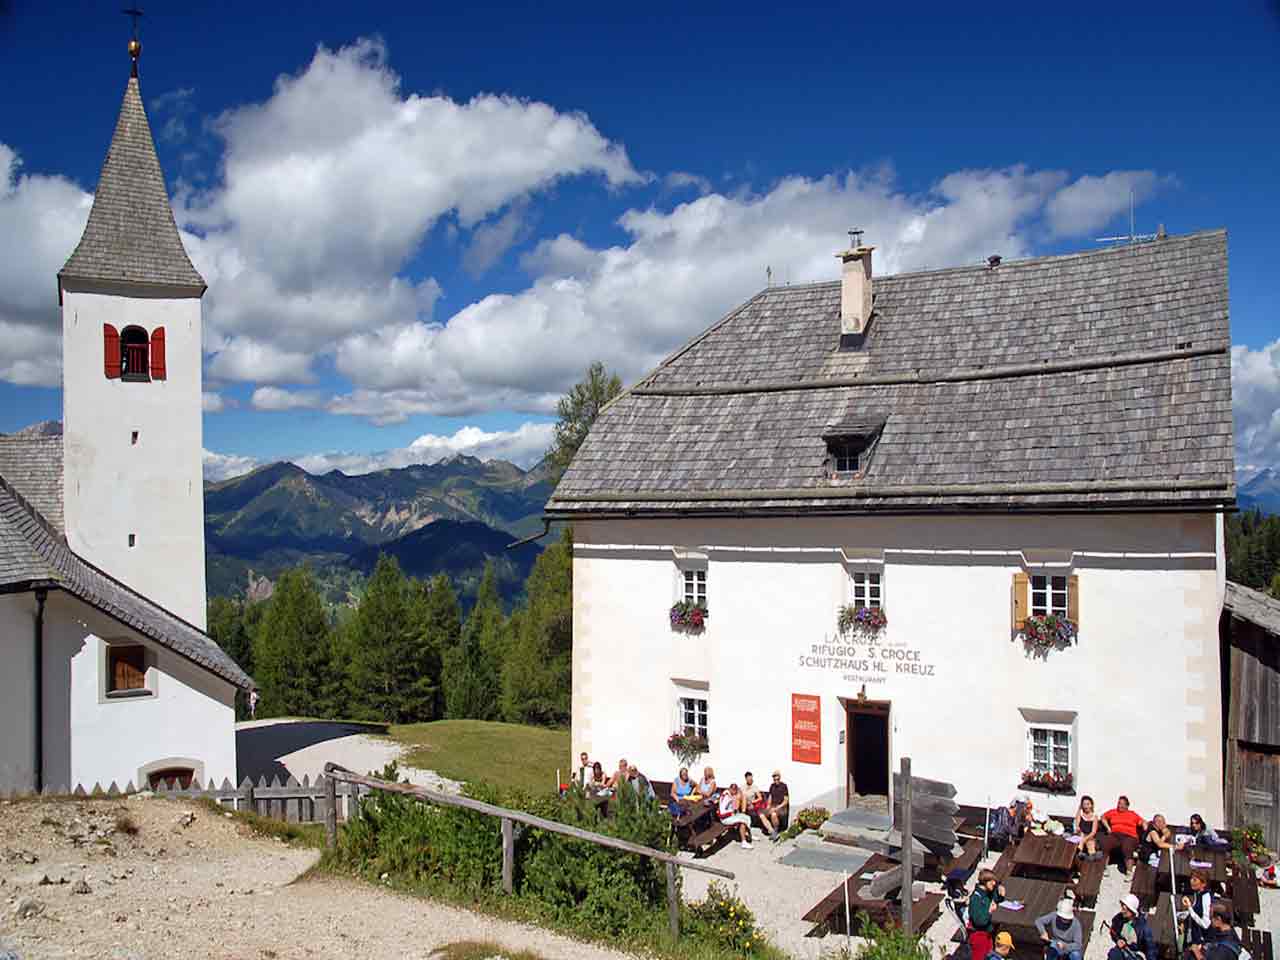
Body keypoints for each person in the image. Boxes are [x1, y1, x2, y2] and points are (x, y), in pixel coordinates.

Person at [1100, 796, 1146, 875]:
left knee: (1127, 847)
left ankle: (1129, 871)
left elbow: (1142, 821)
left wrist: (1144, 825)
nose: (1120, 806)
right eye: (1119, 803)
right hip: (1115, 835)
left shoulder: (1132, 814)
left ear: (1127, 805)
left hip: (1130, 836)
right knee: (1106, 843)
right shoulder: (1113, 812)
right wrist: (1108, 828)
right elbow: (1103, 817)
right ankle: (1105, 868)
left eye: (1122, 804)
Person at [967, 868, 1006, 960]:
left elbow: (994, 899)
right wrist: (989, 911)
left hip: (987, 934)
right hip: (978, 936)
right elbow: (980, 921)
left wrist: (1000, 896)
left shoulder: (986, 893)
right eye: (992, 881)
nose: (994, 883)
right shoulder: (975, 899)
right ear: (985, 882)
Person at [1108, 893, 1158, 960]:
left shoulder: (1143, 928)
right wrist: (1118, 940)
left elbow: (1151, 948)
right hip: (1121, 951)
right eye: (1122, 907)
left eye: (1124, 909)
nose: (1122, 911)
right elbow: (1113, 931)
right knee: (1113, 955)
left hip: (1135, 954)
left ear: (1131, 911)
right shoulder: (1119, 919)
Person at [1177, 870, 1214, 947]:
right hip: (1194, 935)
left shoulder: (1206, 897)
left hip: (1201, 941)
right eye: (1191, 878)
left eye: (1194, 880)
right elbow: (1195, 911)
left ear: (1203, 884)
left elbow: (1205, 924)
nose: (1191, 881)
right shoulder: (1198, 893)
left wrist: (1189, 907)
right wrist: (1181, 914)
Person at [718, 783, 752, 848]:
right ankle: (744, 842)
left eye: (736, 790)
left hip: (730, 816)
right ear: (730, 789)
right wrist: (731, 813)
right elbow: (722, 812)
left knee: (746, 817)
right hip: (725, 818)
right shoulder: (726, 797)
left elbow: (732, 808)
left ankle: (748, 834)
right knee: (742, 822)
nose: (735, 792)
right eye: (734, 790)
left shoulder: (730, 796)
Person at [1075, 795, 1102, 859]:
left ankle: (1090, 856)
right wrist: (1079, 809)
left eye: (1088, 804)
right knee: (1081, 837)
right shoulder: (1080, 814)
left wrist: (1085, 839)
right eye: (1084, 804)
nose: (1086, 806)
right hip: (1081, 834)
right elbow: (1077, 826)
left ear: (1091, 805)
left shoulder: (1094, 816)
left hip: (1089, 835)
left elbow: (1093, 832)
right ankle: (1080, 854)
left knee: (1090, 843)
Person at [764, 770, 789, 834]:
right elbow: (770, 797)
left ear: (779, 777)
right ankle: (770, 829)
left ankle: (775, 831)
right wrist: (768, 806)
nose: (776, 780)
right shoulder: (772, 786)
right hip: (773, 806)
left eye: (777, 778)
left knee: (773, 814)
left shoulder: (784, 786)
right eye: (774, 779)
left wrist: (777, 807)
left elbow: (786, 801)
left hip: (781, 807)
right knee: (762, 814)